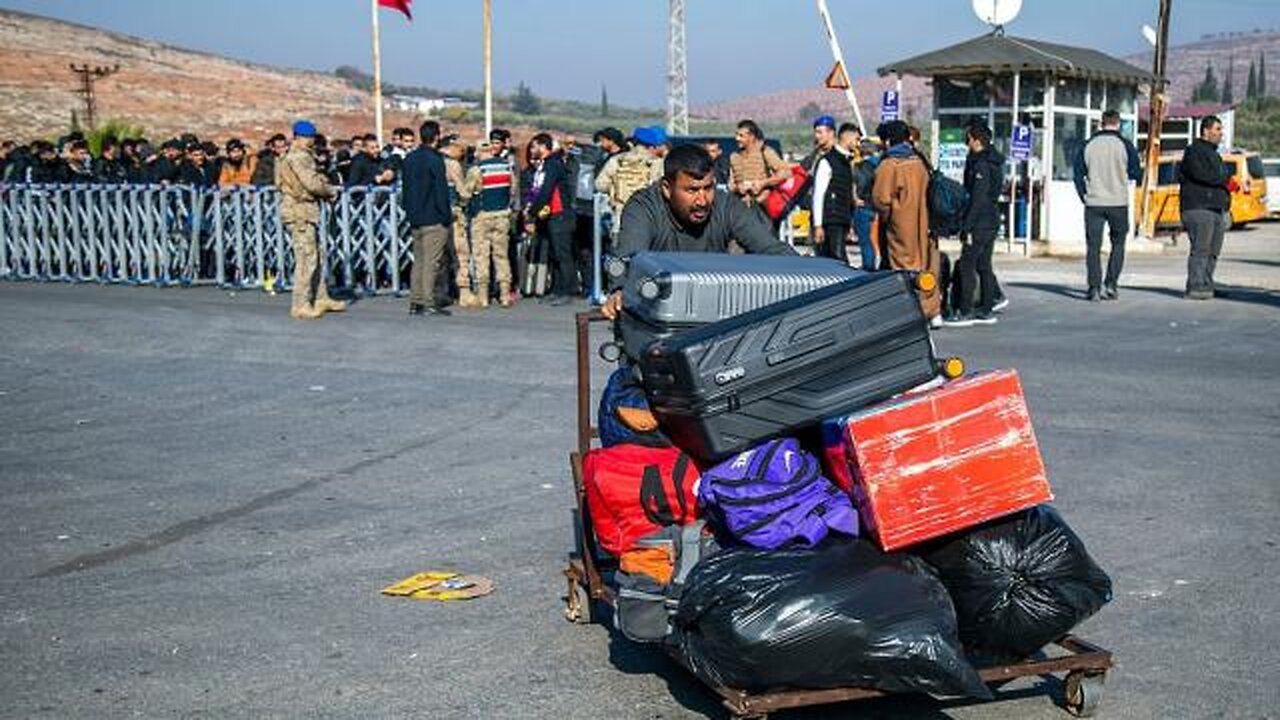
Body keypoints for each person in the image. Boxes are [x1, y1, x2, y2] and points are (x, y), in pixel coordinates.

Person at [601, 144, 796, 319]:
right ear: (667, 189)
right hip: (657, 311)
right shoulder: (644, 207)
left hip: (711, 311)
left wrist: (810, 273)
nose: (702, 201)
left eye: (708, 188)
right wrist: (619, 290)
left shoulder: (726, 206)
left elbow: (771, 248)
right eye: (692, 190)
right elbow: (629, 255)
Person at [872, 120, 941, 321]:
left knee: (903, 271)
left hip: (901, 228)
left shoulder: (890, 164)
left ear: (887, 141)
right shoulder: (920, 161)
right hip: (926, 224)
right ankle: (932, 310)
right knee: (927, 267)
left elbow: (881, 199)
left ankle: (909, 314)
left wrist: (888, 218)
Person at [1073, 109, 1143, 302]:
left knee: (1093, 247)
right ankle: (1111, 284)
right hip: (1118, 202)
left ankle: (1094, 287)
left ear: (1101, 123)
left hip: (1094, 203)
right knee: (1118, 244)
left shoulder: (1088, 145)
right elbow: (1136, 173)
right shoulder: (1126, 146)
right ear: (1118, 124)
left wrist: (1084, 196)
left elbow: (1078, 175)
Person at [275, 120, 342, 320]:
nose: (311, 141)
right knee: (306, 259)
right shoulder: (299, 157)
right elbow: (311, 183)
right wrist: (330, 191)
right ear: (298, 137)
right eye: (308, 137)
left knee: (317, 255)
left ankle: (320, 297)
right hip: (299, 210)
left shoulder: (297, 156)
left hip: (304, 209)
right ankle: (301, 304)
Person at [945, 121, 1004, 327]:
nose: (966, 142)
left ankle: (965, 310)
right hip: (991, 219)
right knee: (984, 265)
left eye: (968, 138)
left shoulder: (981, 165)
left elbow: (977, 199)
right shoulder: (993, 161)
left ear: (976, 140)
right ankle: (986, 308)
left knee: (967, 265)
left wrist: (966, 226)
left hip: (980, 222)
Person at [401, 120, 452, 316]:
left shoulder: (410, 158)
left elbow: (405, 189)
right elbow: (440, 190)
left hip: (415, 217)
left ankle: (416, 301)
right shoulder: (435, 159)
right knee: (432, 262)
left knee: (419, 261)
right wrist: (446, 216)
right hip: (433, 217)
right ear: (437, 137)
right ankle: (429, 302)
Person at [1179, 115, 1233, 300]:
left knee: (1213, 251)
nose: (1221, 133)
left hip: (1216, 208)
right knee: (1201, 249)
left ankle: (1206, 284)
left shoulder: (1215, 154)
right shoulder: (1194, 151)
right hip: (1198, 207)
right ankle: (1195, 286)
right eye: (1218, 129)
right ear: (1206, 131)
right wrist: (1225, 181)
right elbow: (1199, 174)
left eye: (1221, 129)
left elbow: (1221, 178)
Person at [525, 132, 578, 306]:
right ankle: (557, 289)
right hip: (550, 216)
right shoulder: (545, 165)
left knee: (563, 254)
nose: (532, 150)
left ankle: (568, 290)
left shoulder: (553, 164)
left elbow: (546, 190)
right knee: (554, 254)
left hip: (560, 215)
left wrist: (532, 212)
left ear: (543, 146)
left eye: (534, 146)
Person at [465, 141, 518, 308]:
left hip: (482, 216)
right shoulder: (506, 167)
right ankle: (504, 294)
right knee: (501, 256)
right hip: (502, 215)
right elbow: (513, 190)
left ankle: (483, 296)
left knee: (481, 255)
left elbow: (467, 192)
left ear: (480, 152)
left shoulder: (477, 169)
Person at [595, 126, 662, 233]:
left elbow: (600, 184)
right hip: (648, 219)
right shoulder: (656, 163)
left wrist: (615, 188)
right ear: (651, 146)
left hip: (619, 218)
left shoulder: (617, 160)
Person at [809, 115, 853, 264]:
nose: (817, 136)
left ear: (831, 133)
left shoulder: (840, 159)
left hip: (837, 217)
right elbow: (818, 194)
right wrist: (817, 225)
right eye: (816, 132)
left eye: (820, 132)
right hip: (828, 218)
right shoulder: (821, 157)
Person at [728, 119, 789, 224]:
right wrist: (738, 188)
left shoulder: (765, 152)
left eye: (741, 136)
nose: (737, 138)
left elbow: (785, 173)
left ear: (751, 137)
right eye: (736, 135)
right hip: (741, 209)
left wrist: (763, 183)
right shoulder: (734, 156)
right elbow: (731, 183)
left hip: (763, 209)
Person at [441, 136, 478, 307]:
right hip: (453, 213)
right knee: (460, 253)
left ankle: (439, 291)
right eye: (460, 149)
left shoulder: (432, 160)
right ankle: (464, 291)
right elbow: (462, 191)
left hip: (434, 214)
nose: (462, 153)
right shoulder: (452, 164)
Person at [844, 125, 880, 270]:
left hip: (862, 206)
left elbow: (853, 186)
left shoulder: (856, 167)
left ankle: (868, 267)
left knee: (865, 241)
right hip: (877, 206)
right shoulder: (881, 166)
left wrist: (855, 199)